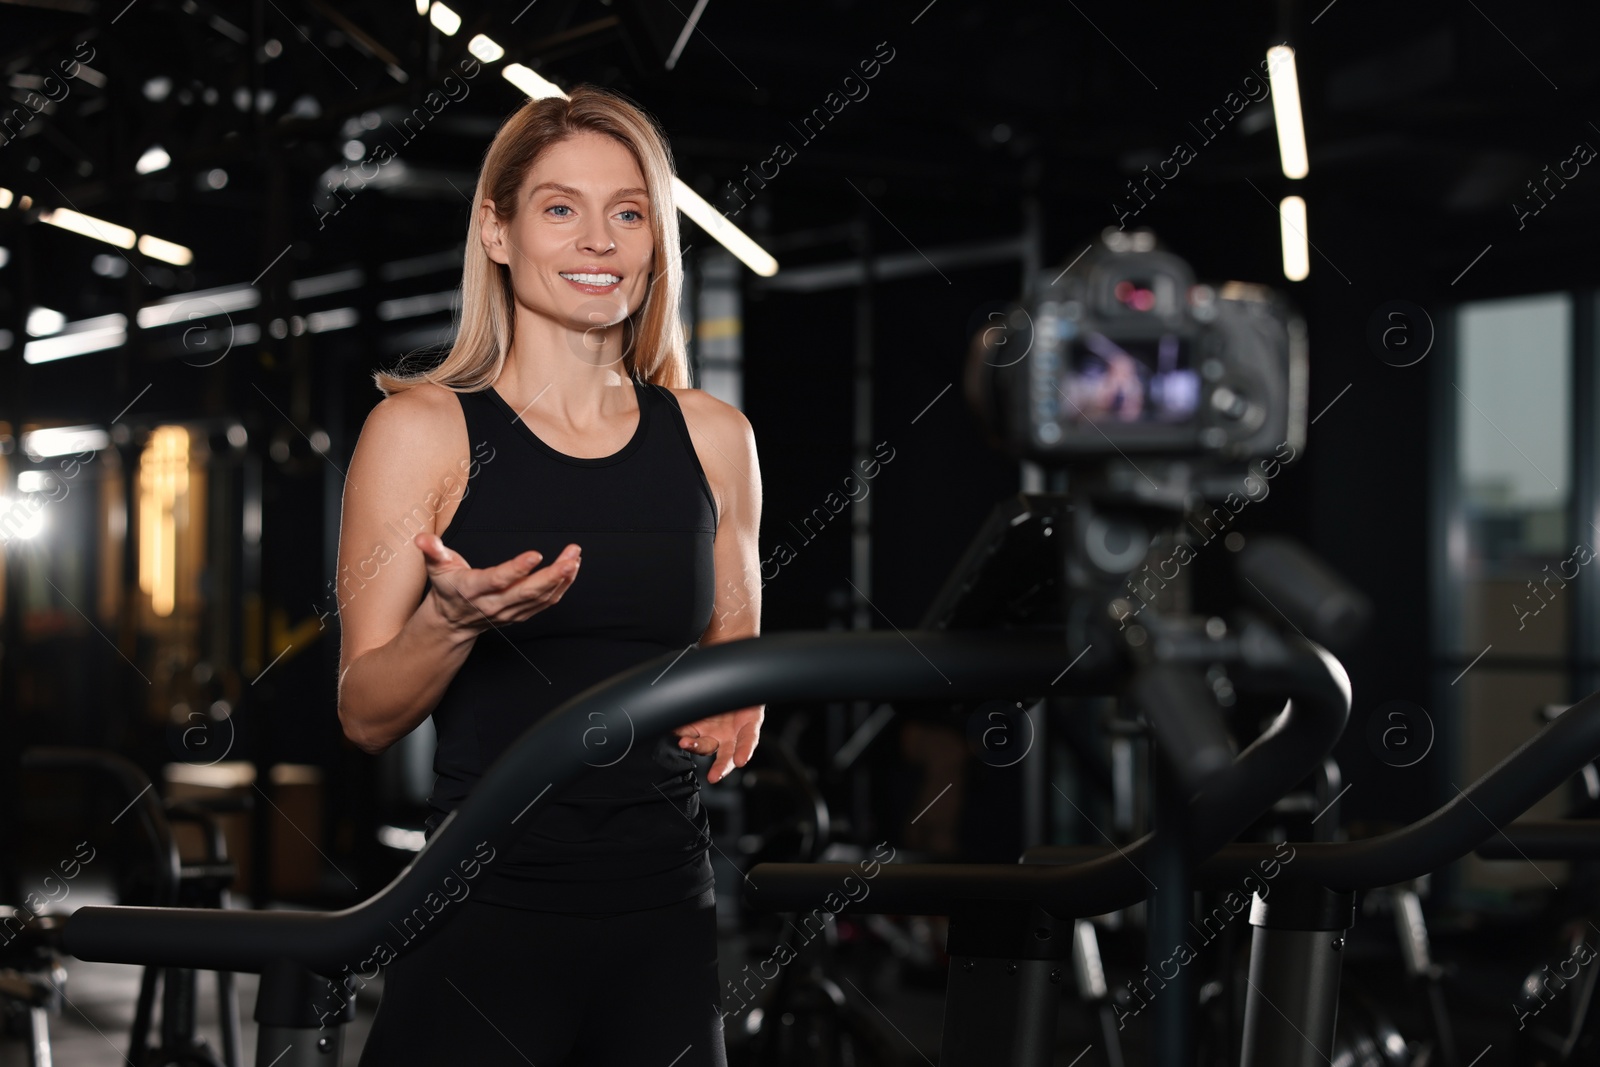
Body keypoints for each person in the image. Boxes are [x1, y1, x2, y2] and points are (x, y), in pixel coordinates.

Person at [335, 85, 764, 1066]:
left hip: (665, 910)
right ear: (496, 230)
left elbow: (736, 652)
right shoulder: (421, 431)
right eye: (560, 208)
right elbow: (363, 712)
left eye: (628, 213)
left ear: (657, 241)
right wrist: (450, 622)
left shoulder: (714, 437)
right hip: (483, 908)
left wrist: (745, 705)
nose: (598, 240)